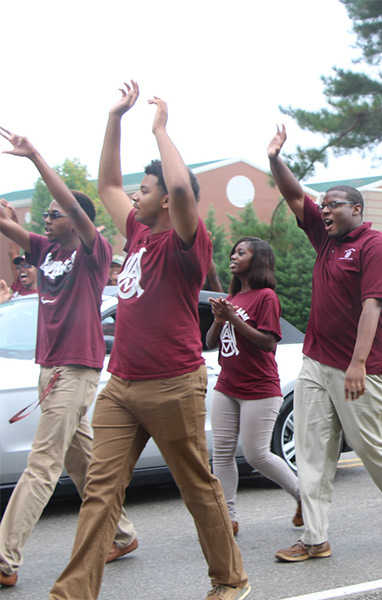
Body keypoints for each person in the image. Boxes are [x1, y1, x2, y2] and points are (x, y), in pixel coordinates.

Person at [50, 80, 251, 600]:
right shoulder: (138, 233)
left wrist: (162, 129)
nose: (134, 196)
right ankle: (73, 592)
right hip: (122, 385)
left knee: (196, 488)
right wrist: (116, 118)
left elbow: (184, 190)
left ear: (164, 200)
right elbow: (108, 182)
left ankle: (231, 580)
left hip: (173, 384)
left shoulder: (188, 244)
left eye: (146, 190)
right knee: (99, 492)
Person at [0, 129, 137, 588]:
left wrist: (35, 157)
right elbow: (9, 226)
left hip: (75, 368)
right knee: (82, 460)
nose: (46, 217)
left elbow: (73, 206)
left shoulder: (94, 252)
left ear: (77, 222)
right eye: (46, 214)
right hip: (49, 368)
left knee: (42, 463)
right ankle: (120, 534)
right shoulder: (47, 250)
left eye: (54, 214)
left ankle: (4, 557)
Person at [267, 125, 382, 562]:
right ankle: (314, 539)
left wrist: (358, 364)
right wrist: (274, 160)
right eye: (322, 206)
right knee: (311, 451)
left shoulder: (376, 247)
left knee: (374, 452)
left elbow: (374, 307)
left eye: (333, 205)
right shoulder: (325, 239)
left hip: (362, 367)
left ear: (357, 208)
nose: (323, 210)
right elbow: (293, 196)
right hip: (316, 363)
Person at [206, 237, 302, 537]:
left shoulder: (266, 297)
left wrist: (233, 319)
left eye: (241, 252)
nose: (233, 256)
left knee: (257, 454)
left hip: (259, 388)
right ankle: (228, 517)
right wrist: (220, 320)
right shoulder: (232, 299)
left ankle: (303, 497)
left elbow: (268, 342)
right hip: (226, 384)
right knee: (221, 453)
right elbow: (210, 343)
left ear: (257, 260)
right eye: (233, 251)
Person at [0, 198, 37, 303]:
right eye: (19, 267)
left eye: (27, 265)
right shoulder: (19, 287)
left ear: (38, 269)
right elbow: (13, 253)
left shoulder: (45, 291)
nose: (22, 269)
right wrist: (13, 221)